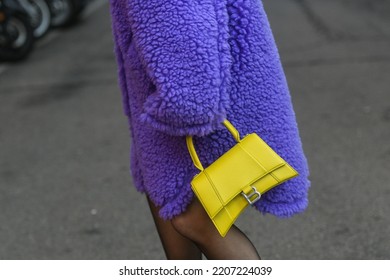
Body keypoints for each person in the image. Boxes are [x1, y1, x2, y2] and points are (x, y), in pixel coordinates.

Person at [108, 0, 310, 260]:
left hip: (185, 122)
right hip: (174, 117)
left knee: (194, 223)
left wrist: (174, 106)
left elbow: (184, 32)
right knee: (180, 224)